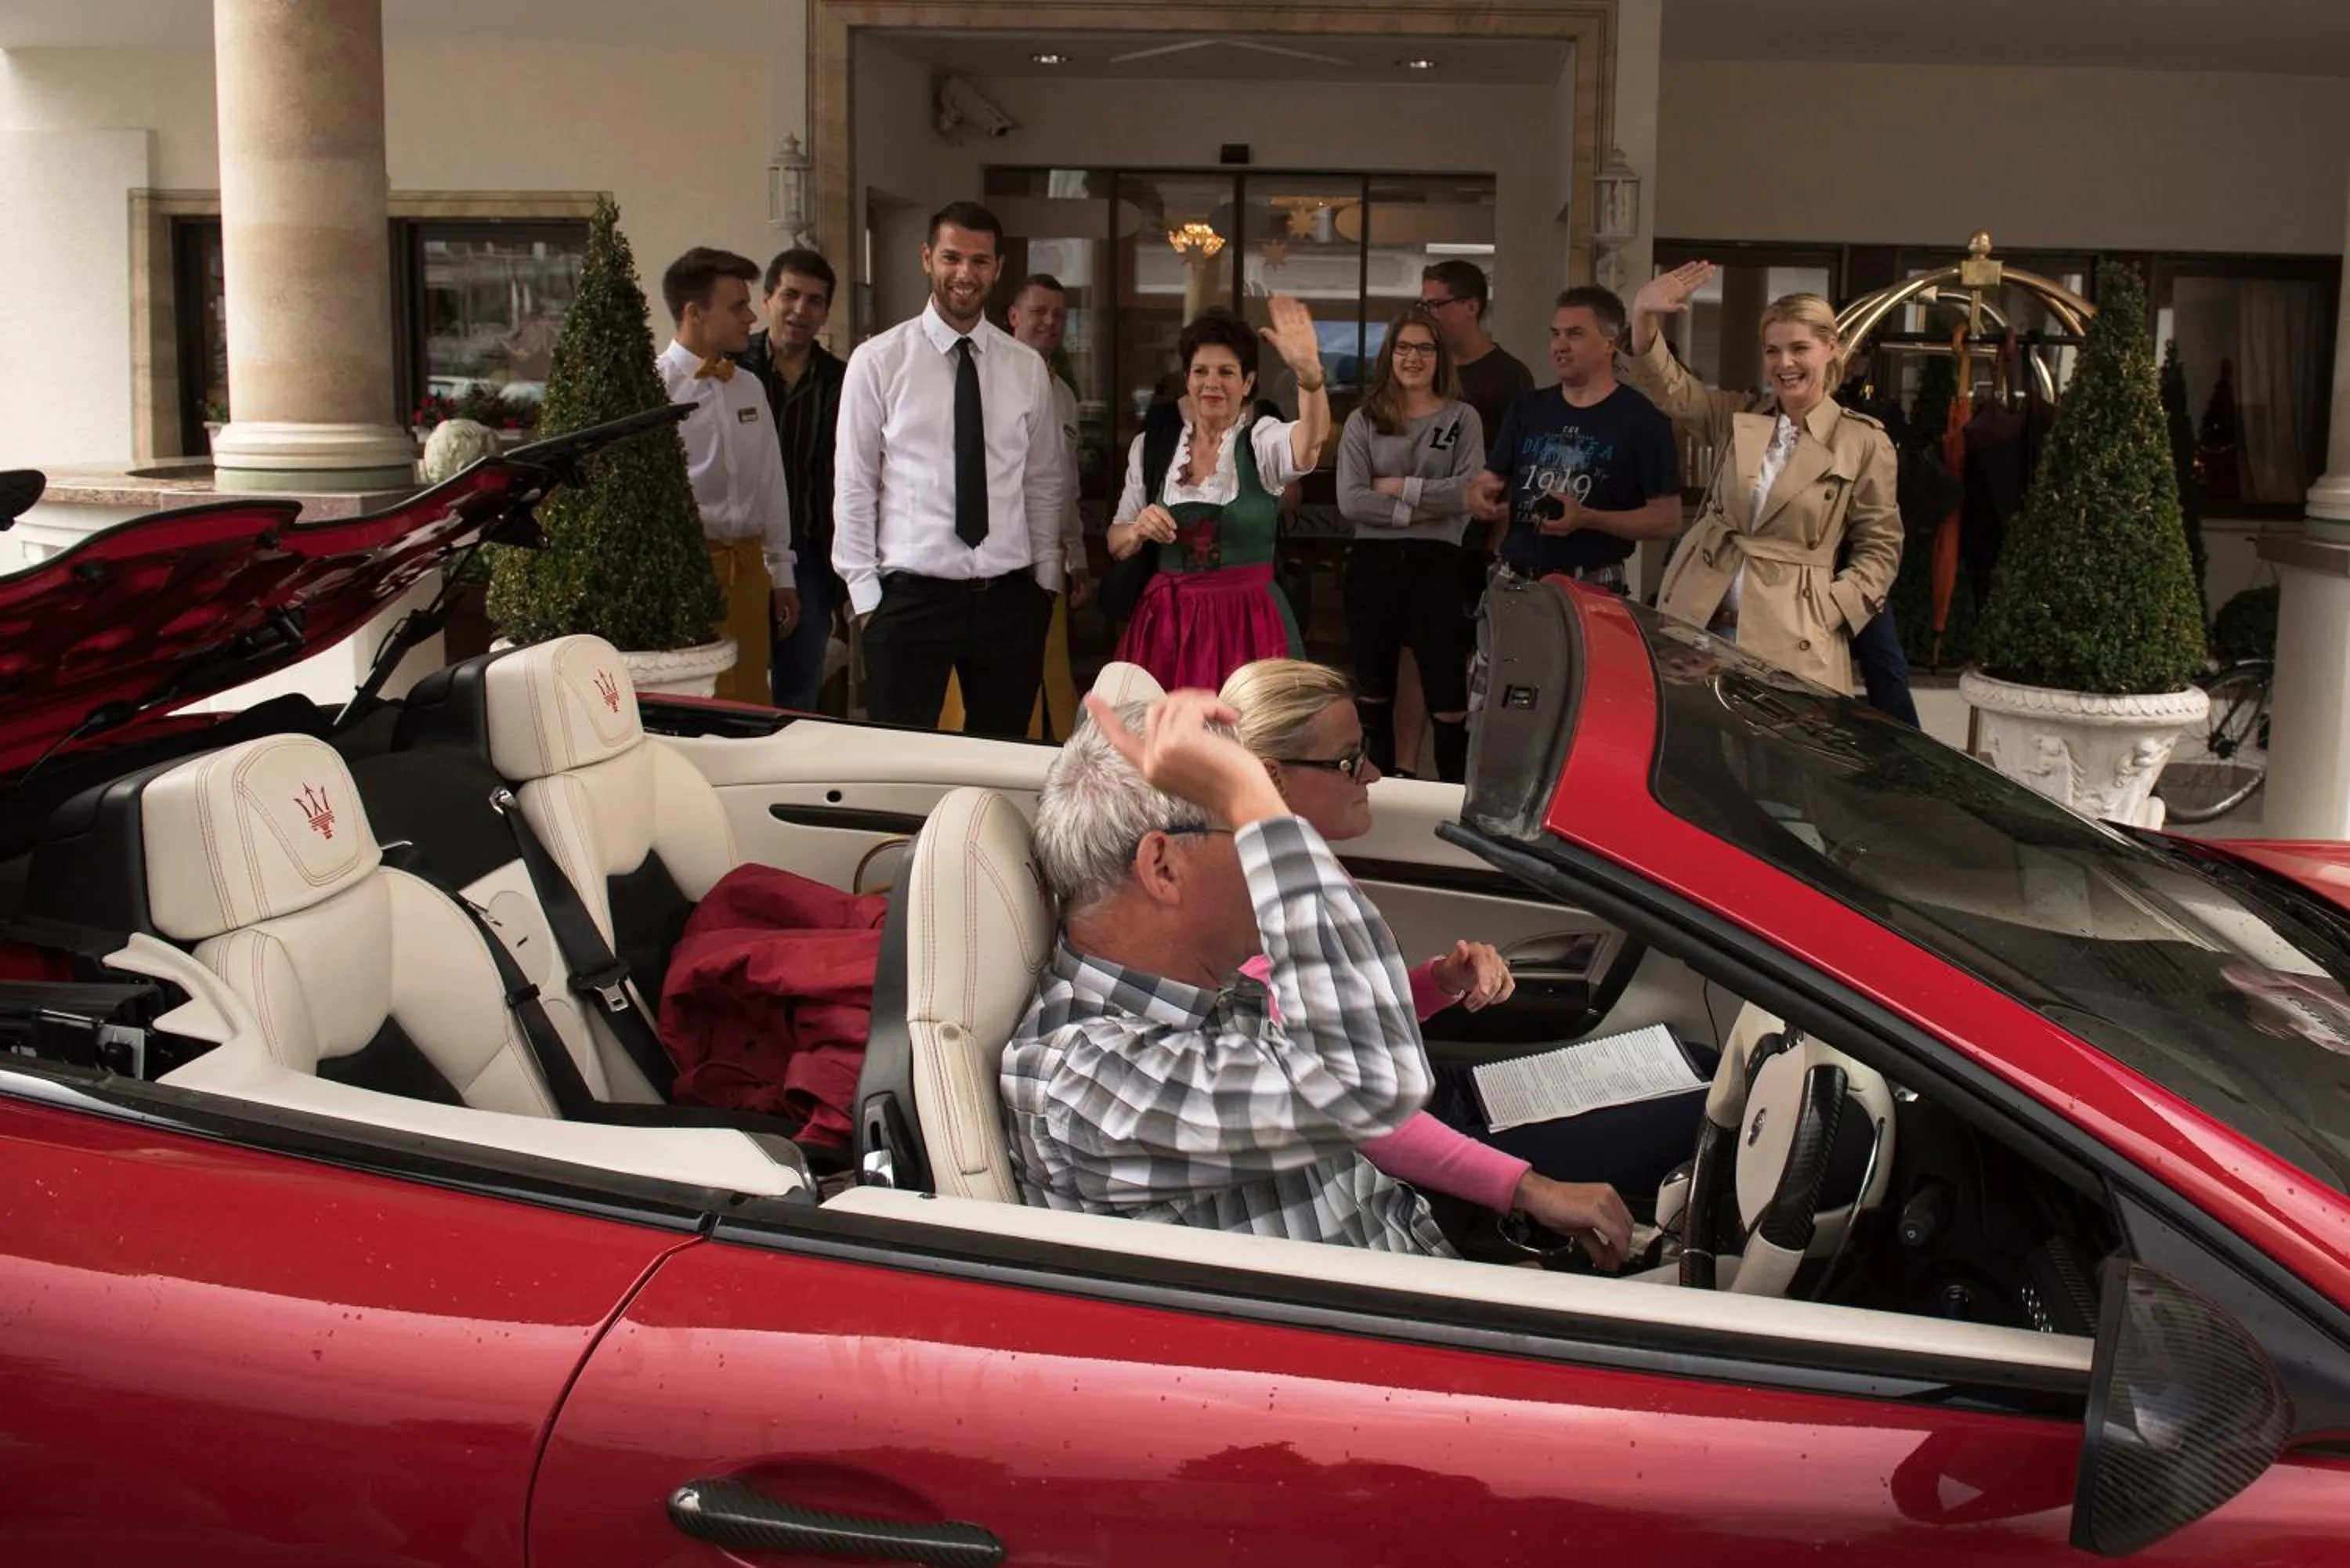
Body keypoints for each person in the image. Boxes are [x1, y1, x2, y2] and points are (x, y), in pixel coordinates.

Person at [1004, 687, 1636, 1266]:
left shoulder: (1208, 997)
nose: (1271, 852)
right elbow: (1374, 1086)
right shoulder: (1085, 1082)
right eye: (1250, 833)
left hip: (1424, 1266)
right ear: (1163, 868)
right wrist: (1256, 804)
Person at [1220, 658, 1709, 1218]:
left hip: (1429, 1097)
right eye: (1349, 761)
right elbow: (1355, 1115)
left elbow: (1351, 1022)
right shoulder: (1258, 915)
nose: (1373, 773)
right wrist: (1532, 1190)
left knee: (1695, 1065)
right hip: (1410, 1152)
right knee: (1706, 1113)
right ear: (1271, 777)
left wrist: (1442, 980)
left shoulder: (1302, 867)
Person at [833, 201, 1069, 735]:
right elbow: (854, 484)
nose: (965, 273)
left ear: (998, 268)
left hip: (1010, 601)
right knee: (902, 765)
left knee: (1003, 762)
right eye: (952, 258)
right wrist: (865, 597)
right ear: (927, 258)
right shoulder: (878, 362)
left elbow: (1042, 482)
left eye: (980, 261)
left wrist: (1044, 586)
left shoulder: (1026, 368)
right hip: (909, 600)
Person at [1625, 262, 1902, 696]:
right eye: (1773, 350)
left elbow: (1880, 545)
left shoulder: (1862, 441)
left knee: (1779, 741)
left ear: (1831, 348)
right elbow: (1671, 389)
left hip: (1792, 638)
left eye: (1799, 348)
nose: (1784, 363)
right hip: (1699, 622)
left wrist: (1830, 610)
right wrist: (1643, 312)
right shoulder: (1739, 416)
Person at [1104, 299, 1329, 692]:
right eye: (1201, 371)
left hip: (1249, 623)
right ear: (1187, 380)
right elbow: (1115, 542)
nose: (1212, 383)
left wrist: (1310, 378)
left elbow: (1310, 440)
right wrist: (1138, 529)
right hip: (1168, 628)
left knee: (1250, 723)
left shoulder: (1260, 442)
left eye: (1226, 372)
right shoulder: (1152, 447)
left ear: (1247, 383)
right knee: (1160, 725)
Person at [1336, 306, 1483, 783]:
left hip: (1440, 568)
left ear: (1440, 357)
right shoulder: (1363, 420)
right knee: (1374, 692)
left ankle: (1455, 801)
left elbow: (1469, 492)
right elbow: (1351, 500)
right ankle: (1378, 799)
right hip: (1373, 567)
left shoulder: (1463, 418)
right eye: (1403, 347)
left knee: (1449, 699)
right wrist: (1423, 509)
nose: (1412, 358)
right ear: (1389, 355)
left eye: (1424, 348)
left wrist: (1398, 486)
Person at [941, 273, 1089, 740]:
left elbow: (1063, 482)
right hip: (992, 558)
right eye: (1038, 311)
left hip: (1047, 554)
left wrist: (1077, 555)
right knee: (981, 691)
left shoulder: (1064, 394)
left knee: (1047, 671)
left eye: (1059, 315)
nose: (1049, 322)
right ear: (1013, 316)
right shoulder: (982, 378)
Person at [1466, 287, 1682, 595]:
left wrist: (1588, 519)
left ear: (1610, 343)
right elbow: (1490, 478)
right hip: (1514, 577)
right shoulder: (1528, 408)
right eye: (1555, 334)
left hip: (1591, 580)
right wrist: (1478, 494)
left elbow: (1667, 520)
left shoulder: (1642, 419)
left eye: (1575, 334)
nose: (1560, 345)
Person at [655, 247, 795, 706]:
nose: (751, 317)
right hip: (687, 570)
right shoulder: (654, 389)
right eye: (738, 307)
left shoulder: (749, 386)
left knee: (752, 696)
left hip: (749, 569)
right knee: (700, 700)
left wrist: (783, 573)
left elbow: (771, 482)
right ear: (694, 312)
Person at [1416, 259, 1536, 775]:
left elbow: (1520, 470)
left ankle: (1467, 780)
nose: (1428, 314)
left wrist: (1498, 545)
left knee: (1468, 674)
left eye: (1436, 304)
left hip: (1476, 545)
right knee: (1412, 658)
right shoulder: (1426, 367)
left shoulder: (1508, 377)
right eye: (1422, 304)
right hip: (1420, 534)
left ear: (1471, 306)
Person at [735, 247, 847, 714]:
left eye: (815, 301)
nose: (801, 310)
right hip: (737, 553)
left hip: (810, 557)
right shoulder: (731, 370)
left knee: (799, 693)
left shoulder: (842, 381)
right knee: (734, 686)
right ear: (767, 300)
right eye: (791, 295)